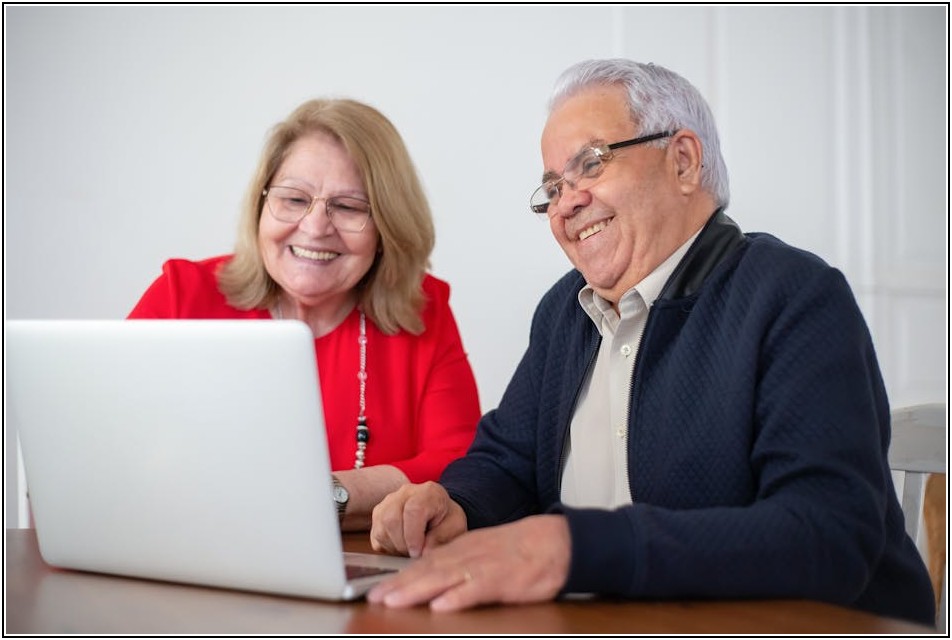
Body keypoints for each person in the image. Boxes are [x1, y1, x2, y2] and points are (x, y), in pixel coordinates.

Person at [366, 59, 936, 625]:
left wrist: (574, 547)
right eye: (552, 188)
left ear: (683, 161)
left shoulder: (794, 296)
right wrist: (455, 503)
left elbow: (827, 535)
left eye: (591, 164)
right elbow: (507, 461)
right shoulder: (564, 311)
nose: (565, 204)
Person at [128, 98, 481, 531]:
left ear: (387, 226)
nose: (315, 227)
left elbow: (463, 467)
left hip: (359, 566)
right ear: (260, 206)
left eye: (349, 207)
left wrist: (332, 493)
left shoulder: (424, 312)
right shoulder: (181, 296)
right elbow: (104, 436)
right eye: (294, 199)